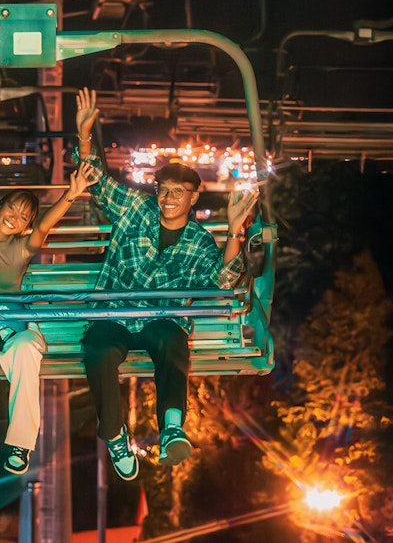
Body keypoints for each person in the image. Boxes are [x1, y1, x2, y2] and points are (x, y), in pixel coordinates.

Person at [73, 87, 259, 480]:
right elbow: (97, 180)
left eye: (179, 192)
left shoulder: (200, 241)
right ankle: (114, 433)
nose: (169, 197)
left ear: (193, 198)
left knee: (172, 341)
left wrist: (234, 232)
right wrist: (85, 135)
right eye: (165, 190)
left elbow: (223, 280)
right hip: (115, 312)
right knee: (98, 347)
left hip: (160, 319)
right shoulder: (136, 209)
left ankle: (172, 426)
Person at [0, 98, 98, 474]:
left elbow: (46, 226)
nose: (17, 218)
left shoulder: (22, 248)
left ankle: (19, 445)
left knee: (28, 353)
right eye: (13, 209)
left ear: (26, 226)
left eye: (25, 217)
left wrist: (71, 193)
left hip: (18, 326)